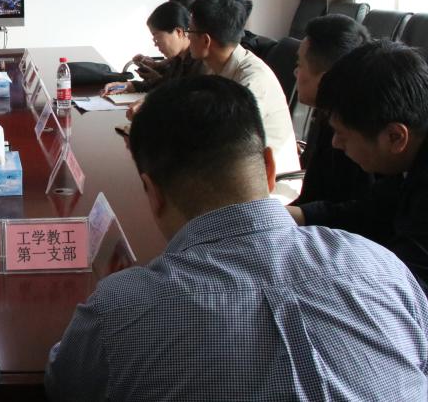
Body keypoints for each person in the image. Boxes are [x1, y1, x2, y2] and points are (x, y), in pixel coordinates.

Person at [46, 75, 428, 402]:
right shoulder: (380, 266)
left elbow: (64, 383)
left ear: (152, 191)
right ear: (269, 167)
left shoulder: (122, 310)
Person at [287, 40, 428, 290]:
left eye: (343, 134)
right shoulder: (408, 153)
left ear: (395, 137)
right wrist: (297, 215)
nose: (336, 143)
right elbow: (371, 211)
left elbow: (409, 280)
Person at [186, 0, 300, 173]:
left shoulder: (252, 80)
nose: (187, 37)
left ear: (206, 40)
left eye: (189, 31)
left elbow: (228, 140)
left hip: (268, 180)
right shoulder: (216, 67)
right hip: (238, 168)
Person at [290, 15, 374, 207]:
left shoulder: (352, 136)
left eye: (300, 65)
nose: (295, 73)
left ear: (325, 80)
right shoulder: (326, 114)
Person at [103, 1, 200, 97]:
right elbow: (162, 85)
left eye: (157, 38)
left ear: (178, 32)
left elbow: (182, 98)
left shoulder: (199, 61)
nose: (155, 44)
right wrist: (125, 86)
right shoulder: (178, 58)